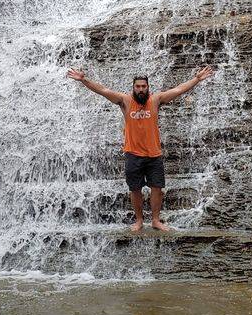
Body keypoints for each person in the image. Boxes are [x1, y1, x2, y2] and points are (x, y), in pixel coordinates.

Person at [65, 66, 215, 232]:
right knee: (135, 189)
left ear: (148, 87)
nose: (141, 89)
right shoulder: (125, 101)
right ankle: (139, 221)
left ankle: (156, 221)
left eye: (144, 86)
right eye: (138, 86)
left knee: (157, 188)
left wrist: (197, 79)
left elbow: (178, 90)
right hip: (133, 154)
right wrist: (83, 79)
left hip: (154, 154)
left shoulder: (156, 100)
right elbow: (103, 90)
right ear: (133, 88)